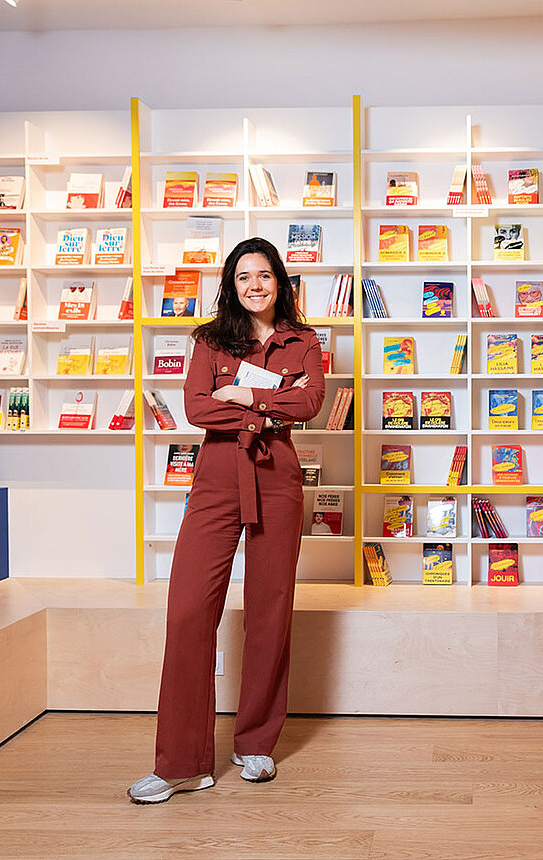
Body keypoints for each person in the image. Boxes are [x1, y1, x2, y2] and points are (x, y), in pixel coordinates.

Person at [128, 237, 326, 804]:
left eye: (264, 275)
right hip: (216, 478)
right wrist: (271, 400)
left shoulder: (304, 341)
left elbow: (310, 404)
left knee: (269, 612)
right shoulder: (210, 339)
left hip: (277, 478)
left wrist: (241, 396)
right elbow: (196, 406)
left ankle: (256, 743)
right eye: (243, 278)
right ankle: (181, 763)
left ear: (281, 282)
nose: (255, 286)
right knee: (189, 609)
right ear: (231, 286)